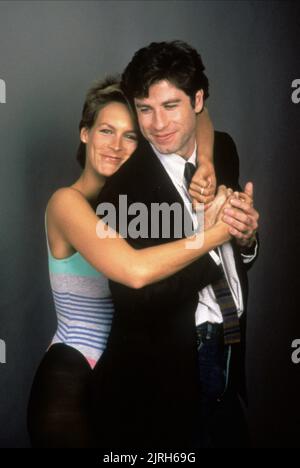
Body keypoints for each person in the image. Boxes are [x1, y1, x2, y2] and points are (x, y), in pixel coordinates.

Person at [27, 77, 231, 448]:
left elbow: (200, 116)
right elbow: (134, 271)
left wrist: (207, 162)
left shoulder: (127, 205)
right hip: (72, 370)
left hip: (125, 373)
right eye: (106, 131)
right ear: (85, 133)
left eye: (131, 136)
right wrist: (217, 235)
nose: (117, 146)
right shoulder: (66, 203)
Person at [92, 41, 259, 449]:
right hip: (173, 364)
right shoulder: (121, 191)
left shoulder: (223, 151)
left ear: (198, 100)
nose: (157, 124)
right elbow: (136, 301)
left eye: (170, 106)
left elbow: (238, 254)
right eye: (145, 109)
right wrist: (207, 238)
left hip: (232, 344)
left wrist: (246, 235)